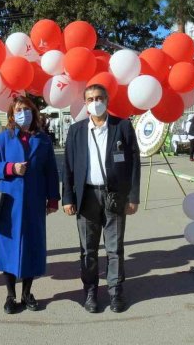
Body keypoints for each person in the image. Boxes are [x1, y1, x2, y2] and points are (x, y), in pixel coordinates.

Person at [62, 84, 141, 313]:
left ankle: (116, 293)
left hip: (114, 196)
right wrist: (68, 197)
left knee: (115, 248)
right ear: (85, 104)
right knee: (88, 249)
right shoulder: (76, 131)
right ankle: (90, 293)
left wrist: (133, 196)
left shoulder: (122, 126)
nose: (94, 102)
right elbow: (67, 167)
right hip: (86, 196)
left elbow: (134, 164)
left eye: (98, 98)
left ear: (106, 100)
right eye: (90, 99)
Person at [0, 96, 61, 314]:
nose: (23, 113)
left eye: (27, 109)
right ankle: (10, 295)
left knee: (32, 248)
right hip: (7, 204)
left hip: (33, 204)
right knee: (7, 249)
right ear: (11, 115)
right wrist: (10, 168)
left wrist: (53, 199)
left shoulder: (43, 140)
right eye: (18, 110)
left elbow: (51, 173)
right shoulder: (4, 139)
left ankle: (27, 293)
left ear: (34, 112)